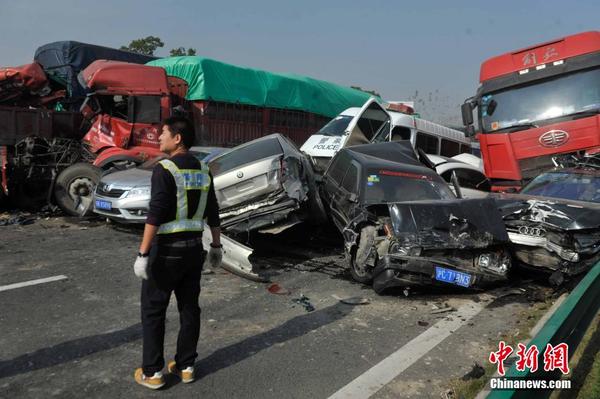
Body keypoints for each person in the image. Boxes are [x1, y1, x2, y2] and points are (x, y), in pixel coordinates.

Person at [132, 116, 222, 390]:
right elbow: (213, 210)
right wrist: (216, 246)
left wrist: (143, 253)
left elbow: (155, 213)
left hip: (166, 253)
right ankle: (186, 366)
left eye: (163, 133)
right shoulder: (204, 169)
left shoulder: (165, 169)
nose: (159, 138)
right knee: (189, 307)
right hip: (194, 251)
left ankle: (153, 373)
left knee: (153, 311)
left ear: (178, 138)